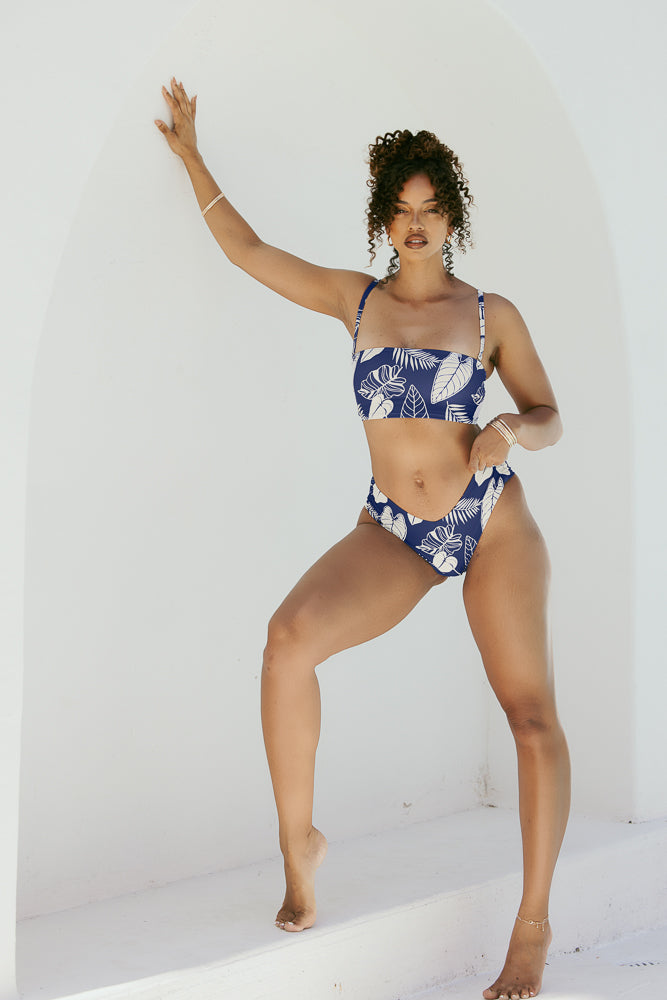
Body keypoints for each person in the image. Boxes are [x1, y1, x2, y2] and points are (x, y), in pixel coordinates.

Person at [155, 78, 571, 1000]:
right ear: (383, 218)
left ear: (451, 217)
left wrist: (510, 428)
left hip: (489, 522)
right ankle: (298, 844)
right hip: (395, 529)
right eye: (401, 209)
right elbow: (248, 252)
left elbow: (549, 413)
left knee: (530, 720)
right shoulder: (356, 301)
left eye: (431, 210)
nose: (416, 225)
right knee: (287, 641)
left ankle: (533, 926)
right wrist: (191, 157)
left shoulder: (489, 315)